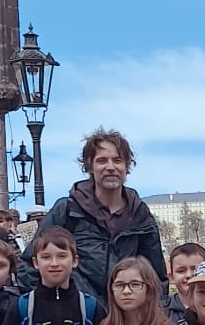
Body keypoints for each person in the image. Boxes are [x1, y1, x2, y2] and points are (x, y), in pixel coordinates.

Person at [25, 130, 166, 304]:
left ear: (126, 166)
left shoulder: (140, 214)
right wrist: (54, 303)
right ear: (89, 166)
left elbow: (156, 275)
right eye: (102, 160)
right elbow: (28, 265)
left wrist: (156, 313)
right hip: (78, 311)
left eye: (117, 160)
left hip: (126, 312)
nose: (110, 167)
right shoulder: (67, 210)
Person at [165, 240, 205, 323]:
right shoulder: (161, 312)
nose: (189, 275)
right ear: (172, 277)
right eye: (181, 271)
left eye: (195, 269)